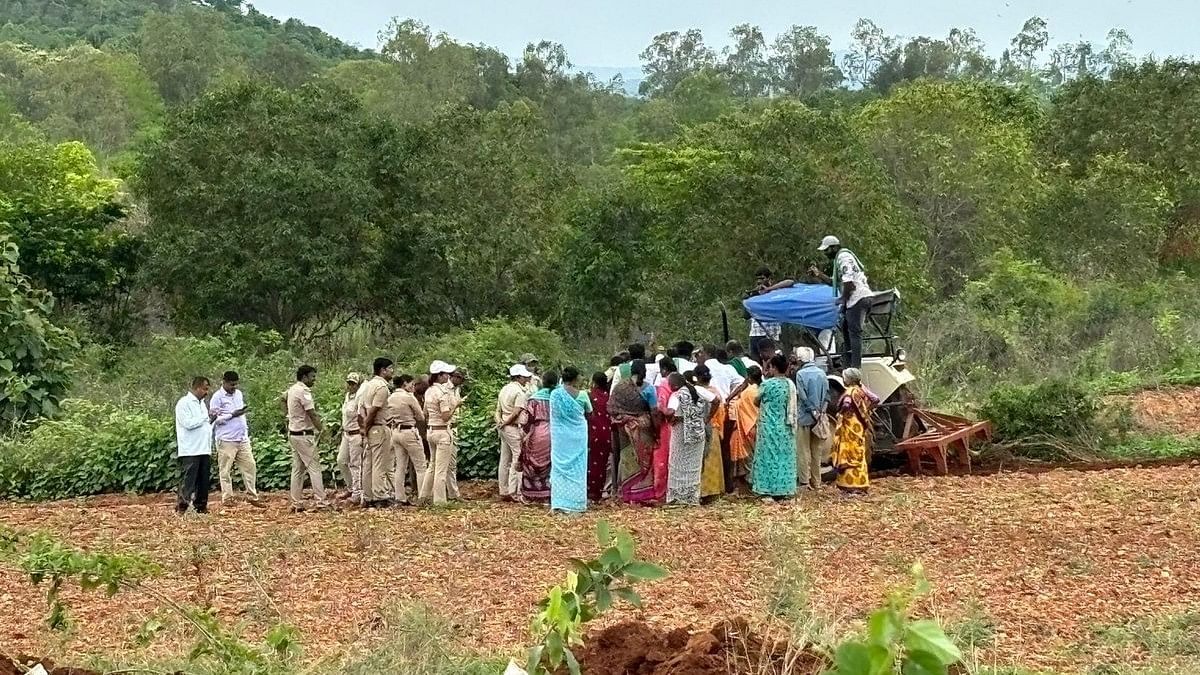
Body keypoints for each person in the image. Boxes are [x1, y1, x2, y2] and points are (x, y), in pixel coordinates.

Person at [811, 236, 873, 369]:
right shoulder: (838, 261)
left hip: (858, 297)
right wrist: (819, 274)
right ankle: (848, 360)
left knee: (854, 332)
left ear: (834, 247)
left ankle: (855, 367)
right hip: (857, 298)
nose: (825, 253)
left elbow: (848, 282)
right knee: (845, 327)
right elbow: (835, 282)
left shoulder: (843, 257)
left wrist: (842, 299)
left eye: (827, 250)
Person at [209, 371, 261, 507]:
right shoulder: (217, 397)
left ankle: (252, 496)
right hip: (226, 439)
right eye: (231, 384)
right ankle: (227, 498)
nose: (234, 387)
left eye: (236, 384)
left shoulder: (238, 394)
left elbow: (240, 414)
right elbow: (214, 420)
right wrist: (231, 415)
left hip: (242, 438)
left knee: (250, 466)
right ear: (224, 382)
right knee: (225, 469)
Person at [610, 359, 657, 504]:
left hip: (624, 427)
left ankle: (627, 493)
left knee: (626, 456)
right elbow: (654, 411)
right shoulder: (649, 389)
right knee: (644, 457)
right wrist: (657, 431)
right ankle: (643, 494)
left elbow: (611, 407)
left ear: (631, 371)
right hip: (643, 427)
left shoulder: (619, 387)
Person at [752, 355, 799, 501]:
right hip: (785, 426)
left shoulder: (767, 384)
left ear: (773, 368)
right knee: (784, 457)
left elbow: (756, 400)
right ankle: (785, 489)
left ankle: (767, 490)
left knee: (767, 457)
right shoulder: (789, 384)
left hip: (768, 427)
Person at [286, 365, 329, 512]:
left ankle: (296, 502)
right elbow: (312, 413)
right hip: (304, 435)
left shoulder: (292, 390)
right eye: (312, 377)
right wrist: (322, 429)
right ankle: (321, 501)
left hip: (294, 433)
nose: (314, 380)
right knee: (314, 468)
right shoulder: (304, 391)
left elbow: (282, 400)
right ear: (304, 377)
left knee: (297, 469)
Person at [831, 368, 880, 494]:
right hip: (859, 426)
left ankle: (851, 485)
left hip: (850, 426)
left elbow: (847, 404)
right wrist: (867, 409)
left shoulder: (850, 392)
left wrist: (841, 413)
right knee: (858, 452)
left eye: (845, 377)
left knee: (848, 453)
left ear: (849, 379)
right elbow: (875, 399)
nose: (844, 379)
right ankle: (861, 483)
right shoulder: (861, 389)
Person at [421, 360, 464, 504]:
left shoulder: (429, 391)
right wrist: (456, 405)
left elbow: (425, 412)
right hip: (442, 431)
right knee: (441, 469)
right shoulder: (442, 392)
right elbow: (445, 416)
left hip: (431, 430)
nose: (448, 376)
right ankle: (439, 500)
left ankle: (424, 495)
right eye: (446, 374)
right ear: (439, 376)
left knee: (432, 465)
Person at [663, 373, 707, 506]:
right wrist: (706, 418)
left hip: (681, 432)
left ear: (674, 385)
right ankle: (692, 497)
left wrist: (663, 410)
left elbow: (670, 412)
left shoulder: (676, 395)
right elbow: (716, 400)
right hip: (698, 431)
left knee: (677, 463)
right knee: (694, 465)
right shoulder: (698, 390)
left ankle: (676, 498)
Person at [175, 376, 217, 515]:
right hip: (190, 448)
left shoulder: (202, 404)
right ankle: (183, 506)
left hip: (203, 447)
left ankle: (201, 506)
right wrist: (206, 417)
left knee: (203, 480)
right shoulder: (184, 403)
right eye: (205, 389)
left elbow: (204, 424)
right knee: (189, 479)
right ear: (197, 387)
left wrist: (211, 420)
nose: (207, 392)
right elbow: (188, 423)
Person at [550, 367, 589, 514]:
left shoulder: (555, 394)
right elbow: (589, 412)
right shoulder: (583, 395)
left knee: (559, 467)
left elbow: (554, 415)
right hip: (578, 435)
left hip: (560, 437)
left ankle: (559, 502)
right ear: (576, 378)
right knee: (578, 468)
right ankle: (576, 503)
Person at [357, 357, 395, 508]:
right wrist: (366, 428)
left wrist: (364, 428)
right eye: (390, 368)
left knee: (369, 463)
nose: (392, 371)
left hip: (371, 427)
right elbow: (374, 410)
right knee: (379, 463)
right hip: (378, 426)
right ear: (383, 370)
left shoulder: (367, 385)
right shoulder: (382, 387)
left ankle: (368, 495)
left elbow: (362, 409)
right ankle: (380, 496)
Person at [794, 348, 831, 491]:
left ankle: (804, 482)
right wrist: (821, 412)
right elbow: (827, 395)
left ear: (800, 359)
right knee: (817, 451)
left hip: (805, 417)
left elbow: (802, 396)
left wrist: (813, 411)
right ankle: (817, 482)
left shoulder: (800, 374)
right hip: (820, 417)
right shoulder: (822, 373)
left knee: (803, 451)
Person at [519, 370, 558, 503]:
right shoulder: (558, 397)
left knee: (531, 460)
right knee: (551, 461)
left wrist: (524, 434)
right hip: (555, 432)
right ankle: (548, 493)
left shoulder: (534, 399)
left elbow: (527, 420)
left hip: (537, 432)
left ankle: (531, 494)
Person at [495, 364, 533, 501]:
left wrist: (500, 422)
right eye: (524, 377)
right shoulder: (519, 392)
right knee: (517, 458)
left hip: (504, 426)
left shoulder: (504, 389)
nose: (526, 379)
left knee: (505, 459)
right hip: (512, 427)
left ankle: (503, 489)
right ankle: (516, 491)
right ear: (518, 377)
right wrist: (506, 422)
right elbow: (516, 411)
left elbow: (498, 409)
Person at [388, 374, 427, 505]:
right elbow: (421, 416)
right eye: (411, 384)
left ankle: (400, 497)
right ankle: (423, 496)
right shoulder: (409, 397)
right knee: (421, 466)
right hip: (409, 431)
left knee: (400, 466)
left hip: (396, 431)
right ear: (404, 384)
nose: (413, 387)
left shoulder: (391, 397)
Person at [694, 366, 726, 500]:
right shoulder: (716, 392)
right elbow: (722, 412)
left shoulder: (697, 392)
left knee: (702, 460)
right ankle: (714, 491)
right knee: (713, 462)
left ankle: (702, 491)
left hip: (702, 428)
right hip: (714, 428)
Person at [748, 267, 795, 358]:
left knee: (772, 362)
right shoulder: (754, 294)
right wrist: (752, 295)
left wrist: (769, 289)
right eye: (757, 279)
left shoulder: (776, 292)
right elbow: (746, 315)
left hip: (771, 335)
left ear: (769, 279)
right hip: (756, 334)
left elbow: (790, 282)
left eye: (762, 278)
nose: (759, 282)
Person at [728, 365, 762, 484]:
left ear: (749, 377)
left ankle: (753, 482)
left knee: (750, 457)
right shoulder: (760, 389)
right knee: (758, 455)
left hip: (748, 426)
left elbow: (738, 405)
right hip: (759, 424)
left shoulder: (748, 392)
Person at [336, 373, 365, 503]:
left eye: (353, 383)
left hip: (356, 433)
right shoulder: (347, 397)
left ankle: (357, 492)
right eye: (349, 383)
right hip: (346, 433)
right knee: (341, 461)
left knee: (355, 464)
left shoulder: (360, 398)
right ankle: (350, 487)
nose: (350, 386)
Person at [652, 357, 678, 502]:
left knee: (662, 458)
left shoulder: (664, 384)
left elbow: (660, 407)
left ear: (664, 369)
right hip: (680, 425)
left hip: (666, 426)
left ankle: (661, 493)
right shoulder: (680, 381)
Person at [586, 371, 613, 501]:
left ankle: (590, 490)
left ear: (594, 382)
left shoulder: (589, 396)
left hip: (593, 433)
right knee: (602, 463)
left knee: (592, 462)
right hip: (607, 434)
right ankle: (599, 491)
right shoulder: (609, 397)